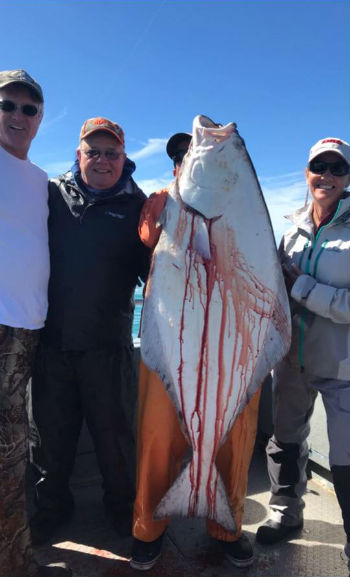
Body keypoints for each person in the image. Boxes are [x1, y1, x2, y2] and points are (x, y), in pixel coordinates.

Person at [130, 132, 261, 571]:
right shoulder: (159, 202)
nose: (188, 159)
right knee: (157, 435)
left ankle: (227, 527)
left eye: (195, 153)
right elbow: (145, 244)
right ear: (174, 167)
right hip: (173, 336)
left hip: (231, 339)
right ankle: (148, 527)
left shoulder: (242, 204)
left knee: (234, 436)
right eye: (181, 156)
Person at [30, 117, 150, 545]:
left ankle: (121, 510)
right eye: (93, 151)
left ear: (124, 158)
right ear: (78, 155)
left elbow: (155, 276)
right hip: (52, 344)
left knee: (116, 445)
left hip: (108, 346)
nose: (102, 160)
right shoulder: (49, 195)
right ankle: (51, 509)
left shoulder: (139, 207)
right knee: (50, 444)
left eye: (111, 153)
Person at [256, 138, 350, 571]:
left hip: (342, 364)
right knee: (286, 441)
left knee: (346, 454)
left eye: (337, 168)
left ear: (347, 177)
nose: (326, 176)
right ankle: (285, 513)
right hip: (291, 360)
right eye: (319, 167)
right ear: (306, 172)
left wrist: (302, 289)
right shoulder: (290, 229)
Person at [0, 69, 71, 577]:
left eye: (29, 109)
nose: (17, 116)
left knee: (11, 456)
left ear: (41, 119)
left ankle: (15, 559)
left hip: (28, 334)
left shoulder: (41, 180)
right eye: (7, 105)